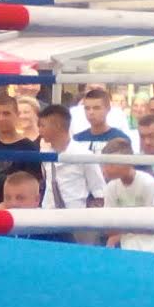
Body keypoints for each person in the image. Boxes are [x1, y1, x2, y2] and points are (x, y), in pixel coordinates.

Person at [38, 104, 105, 245]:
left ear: (57, 126)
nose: (40, 130)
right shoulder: (45, 154)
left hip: (76, 220)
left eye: (43, 125)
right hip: (48, 217)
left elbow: (99, 191)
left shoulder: (84, 155)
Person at [0, 95, 42, 210]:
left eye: (6, 113)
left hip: (16, 212)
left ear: (17, 115)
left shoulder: (28, 147)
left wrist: (4, 207)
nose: (1, 118)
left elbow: (32, 186)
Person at [99, 138, 154, 253]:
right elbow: (109, 228)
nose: (105, 169)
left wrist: (123, 230)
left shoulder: (148, 183)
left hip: (153, 247)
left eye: (111, 164)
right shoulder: (111, 188)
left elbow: (153, 227)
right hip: (124, 247)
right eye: (104, 164)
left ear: (128, 162)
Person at [72, 88, 131, 154]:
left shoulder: (121, 139)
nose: (91, 112)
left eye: (96, 108)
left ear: (108, 109)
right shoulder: (77, 139)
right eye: (87, 108)